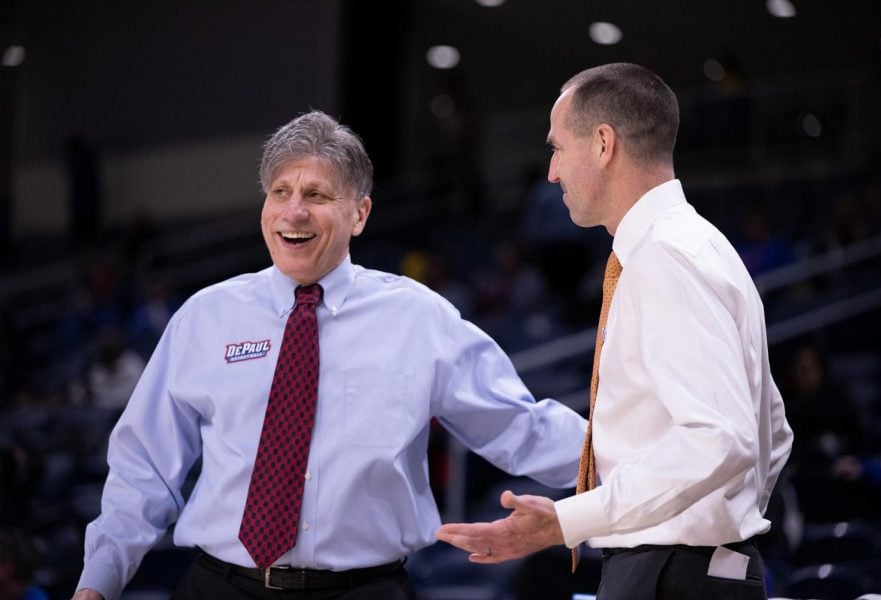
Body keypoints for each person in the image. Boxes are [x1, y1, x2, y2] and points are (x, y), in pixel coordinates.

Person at [71, 111, 586, 600]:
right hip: (219, 585)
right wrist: (98, 580)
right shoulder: (205, 318)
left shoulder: (419, 318)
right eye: (281, 193)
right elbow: (145, 467)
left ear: (359, 213)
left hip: (367, 590)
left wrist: (640, 463)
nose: (294, 211)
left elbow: (521, 427)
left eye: (316, 194)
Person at [436, 63, 794, 600]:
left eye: (557, 149)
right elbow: (771, 427)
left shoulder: (664, 257)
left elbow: (722, 438)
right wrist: (722, 522)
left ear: (603, 143)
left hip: (672, 573)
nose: (551, 173)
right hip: (687, 566)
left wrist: (572, 519)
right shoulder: (696, 243)